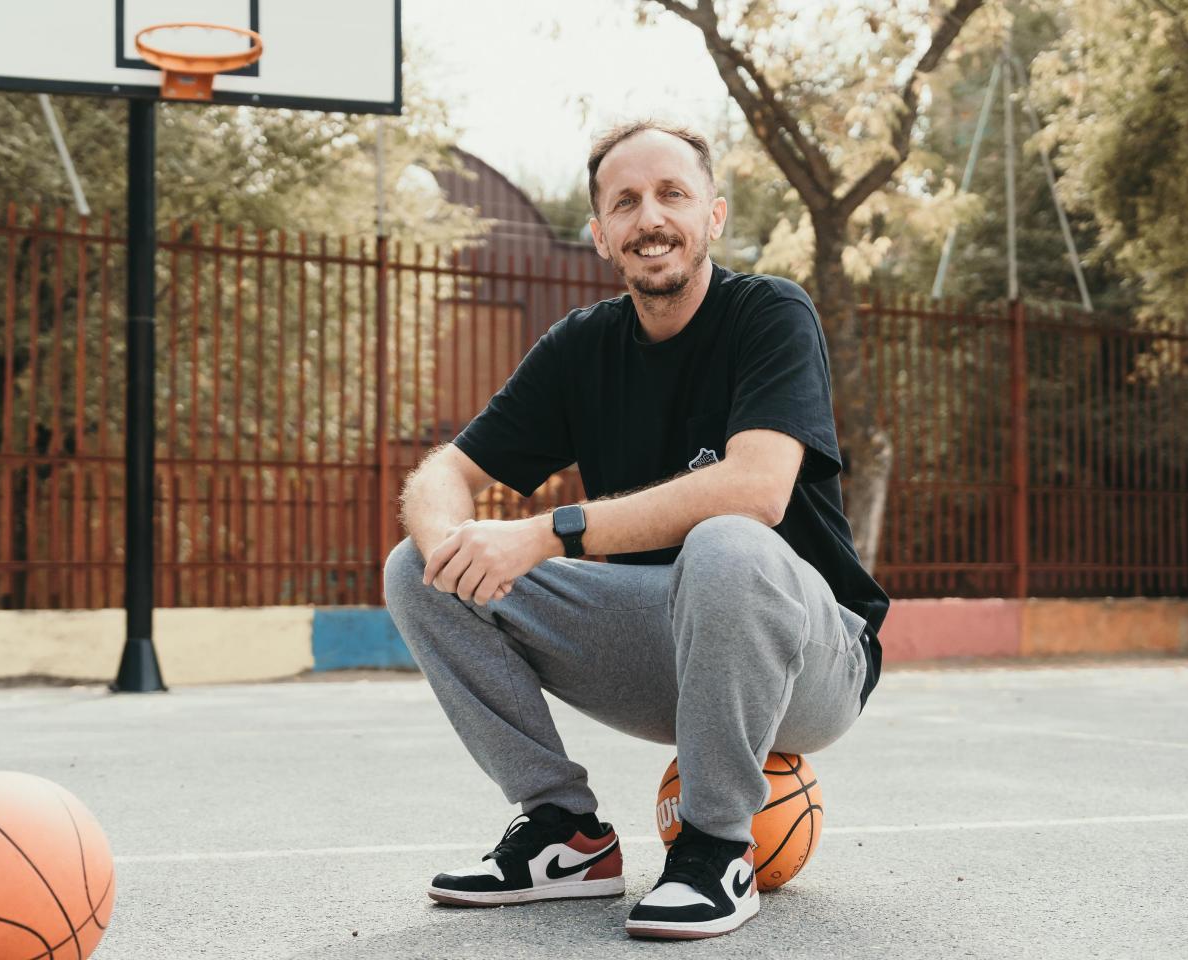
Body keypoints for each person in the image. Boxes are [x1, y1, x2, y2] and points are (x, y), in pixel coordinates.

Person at [381, 120, 889, 941]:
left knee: (725, 539)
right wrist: (451, 545)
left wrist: (548, 532)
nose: (650, 217)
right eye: (626, 202)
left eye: (671, 195)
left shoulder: (768, 312)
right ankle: (564, 834)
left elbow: (758, 489)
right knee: (418, 569)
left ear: (713, 216)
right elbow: (445, 472)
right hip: (669, 644)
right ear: (601, 234)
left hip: (810, 656)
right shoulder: (582, 348)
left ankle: (717, 844)